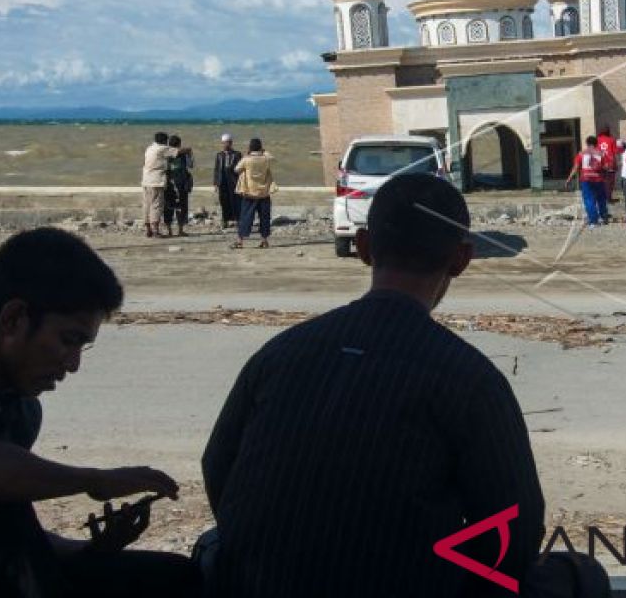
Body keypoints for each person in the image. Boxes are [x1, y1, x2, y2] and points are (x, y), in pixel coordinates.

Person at [201, 173, 547, 597]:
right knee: (577, 573)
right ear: (461, 260)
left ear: (364, 247)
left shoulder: (280, 355)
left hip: (254, 581)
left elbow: (218, 466)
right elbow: (514, 527)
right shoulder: (469, 380)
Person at [0, 228, 200, 597]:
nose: (73, 363)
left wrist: (88, 549)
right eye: (69, 340)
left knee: (175, 577)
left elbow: (10, 532)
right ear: (14, 319)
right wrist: (94, 480)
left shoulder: (19, 409)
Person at [232, 137, 274, 249]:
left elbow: (236, 169)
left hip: (250, 193)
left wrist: (248, 155)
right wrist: (264, 151)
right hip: (264, 192)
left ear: (250, 147)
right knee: (265, 217)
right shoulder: (265, 158)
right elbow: (272, 158)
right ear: (260, 147)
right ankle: (264, 240)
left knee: (245, 217)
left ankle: (240, 241)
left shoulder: (247, 159)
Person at [564, 135, 608, 227]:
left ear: (587, 143)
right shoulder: (601, 153)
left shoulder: (581, 154)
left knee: (589, 200)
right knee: (601, 199)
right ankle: (603, 217)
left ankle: (593, 221)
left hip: (586, 179)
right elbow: (606, 167)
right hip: (598, 179)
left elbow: (576, 167)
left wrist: (569, 179)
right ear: (596, 144)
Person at [162, 134, 194, 237]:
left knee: (168, 207)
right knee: (182, 206)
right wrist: (190, 153)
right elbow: (191, 165)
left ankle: (169, 231)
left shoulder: (166, 154)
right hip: (181, 183)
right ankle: (180, 230)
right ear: (179, 144)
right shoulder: (184, 154)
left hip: (169, 183)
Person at [212, 133, 242, 230]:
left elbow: (240, 169)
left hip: (233, 180)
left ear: (231, 143)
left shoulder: (237, 154)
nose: (226, 145)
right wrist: (215, 183)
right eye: (224, 143)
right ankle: (225, 220)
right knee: (223, 200)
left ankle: (237, 220)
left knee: (235, 200)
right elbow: (216, 169)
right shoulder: (219, 155)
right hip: (222, 180)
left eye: (228, 143)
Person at [595, 125, 619, 202]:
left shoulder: (597, 140)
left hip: (600, 164)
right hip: (610, 163)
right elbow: (615, 152)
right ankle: (608, 197)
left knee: (602, 181)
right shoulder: (612, 140)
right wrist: (616, 164)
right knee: (610, 182)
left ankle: (602, 197)